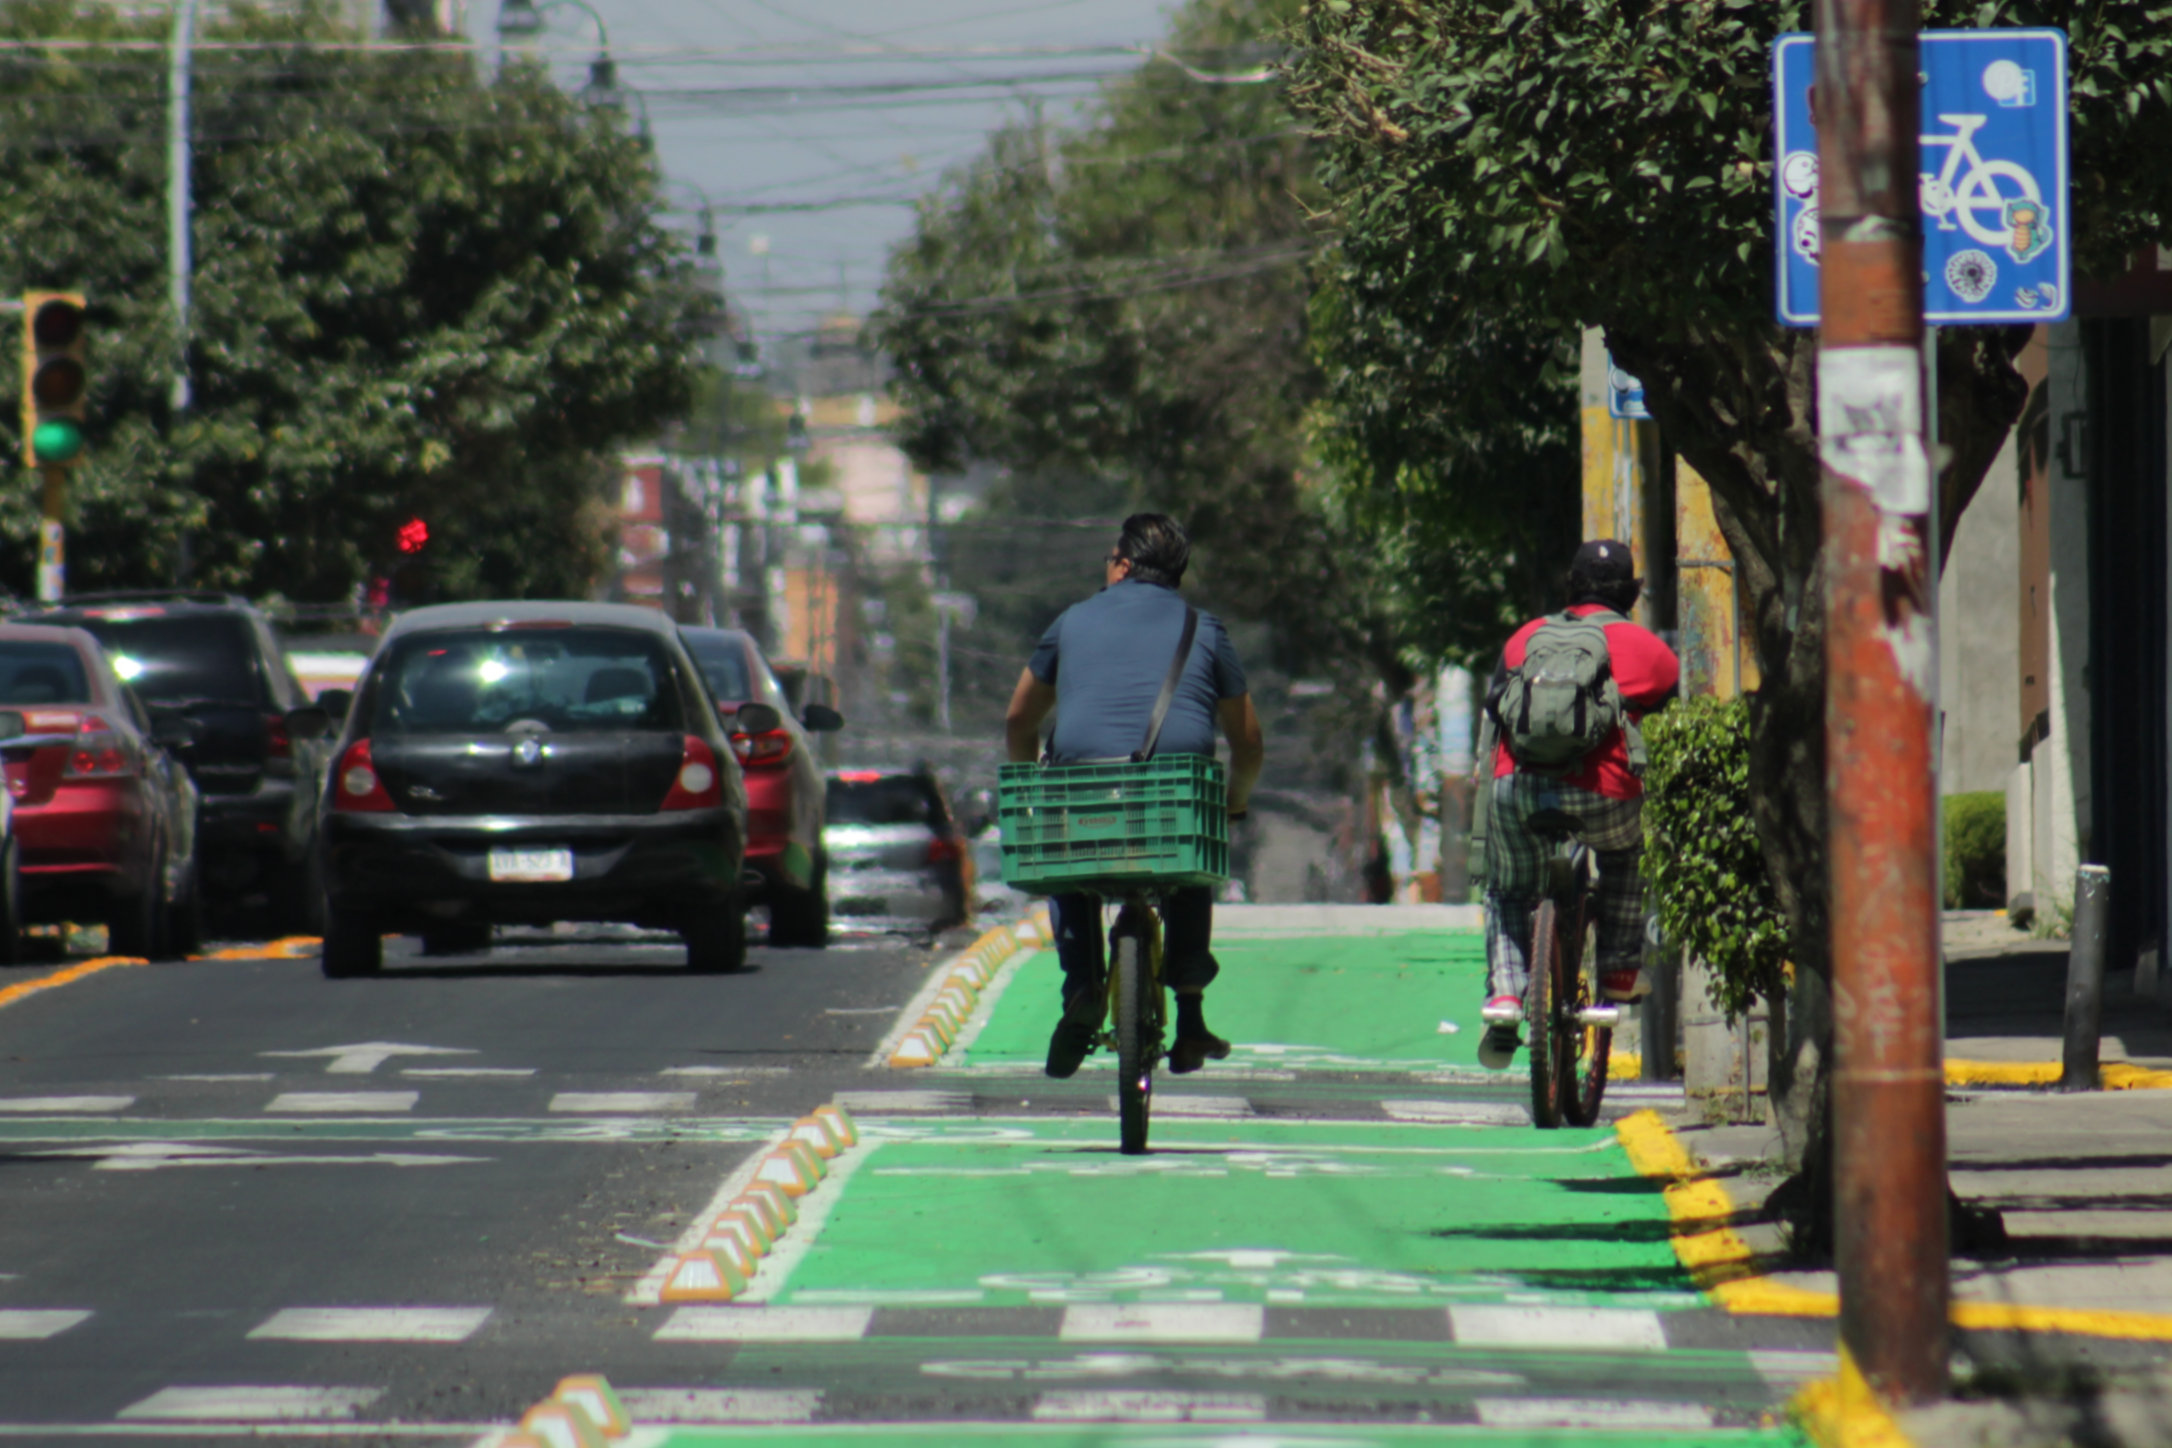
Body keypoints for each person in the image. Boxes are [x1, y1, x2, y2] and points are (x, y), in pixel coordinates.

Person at [1003, 513, 1266, 1080]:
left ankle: (1081, 985)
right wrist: (1234, 802)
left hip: (1084, 787)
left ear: (1122, 565)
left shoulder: (1070, 621)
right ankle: (1190, 1009)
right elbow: (1248, 742)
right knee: (1192, 848)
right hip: (1171, 790)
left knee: (1069, 863)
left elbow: (1018, 719)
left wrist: (1031, 790)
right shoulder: (1205, 628)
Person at [1474, 539, 1679, 1071]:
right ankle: (1616, 969)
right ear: (1631, 593)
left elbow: (1496, 704)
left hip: (1515, 790)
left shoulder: (1526, 638)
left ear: (1571, 585)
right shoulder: (1646, 648)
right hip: (1605, 795)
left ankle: (1505, 994)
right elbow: (1669, 705)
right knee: (1625, 855)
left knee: (1510, 890)